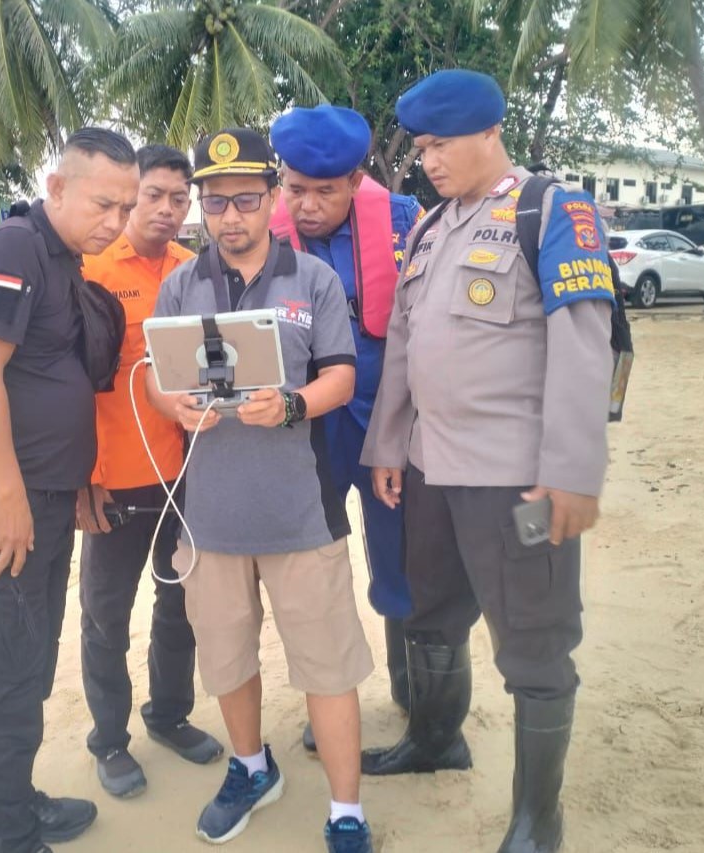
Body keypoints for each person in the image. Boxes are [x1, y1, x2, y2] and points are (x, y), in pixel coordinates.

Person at [359, 70, 616, 853]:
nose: (428, 161)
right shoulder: (433, 227)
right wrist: (388, 445)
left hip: (515, 477)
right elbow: (406, 343)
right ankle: (438, 738)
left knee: (536, 638)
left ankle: (540, 818)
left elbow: (583, 341)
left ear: (488, 133)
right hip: (433, 469)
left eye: (442, 145)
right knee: (431, 612)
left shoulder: (551, 208)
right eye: (422, 148)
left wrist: (573, 473)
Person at [147, 128, 376, 853]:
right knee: (227, 656)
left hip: (300, 515)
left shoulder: (312, 281)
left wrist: (293, 404)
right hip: (211, 517)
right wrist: (169, 403)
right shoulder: (183, 282)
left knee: (328, 666)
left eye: (246, 199)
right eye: (215, 204)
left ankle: (347, 811)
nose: (231, 217)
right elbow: (156, 375)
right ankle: (251, 767)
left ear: (271, 197)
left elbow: (343, 375)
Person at [0, 127, 140, 853]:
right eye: (102, 203)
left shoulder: (63, 262)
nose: (114, 222)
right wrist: (12, 495)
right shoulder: (15, 248)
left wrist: (76, 484)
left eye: (126, 207)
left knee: (29, 662)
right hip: (2, 502)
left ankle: (14, 801)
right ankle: (2, 831)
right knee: (4, 671)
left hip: (51, 498)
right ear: (57, 187)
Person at [269, 104, 424, 752]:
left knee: (402, 560)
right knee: (318, 566)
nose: (305, 204)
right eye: (294, 187)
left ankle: (418, 696)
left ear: (357, 180)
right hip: (309, 430)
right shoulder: (265, 235)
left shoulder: (405, 220)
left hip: (388, 417)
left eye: (323, 191)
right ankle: (332, 701)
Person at [75, 144, 223, 798]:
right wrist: (84, 477)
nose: (166, 209)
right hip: (112, 479)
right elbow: (68, 385)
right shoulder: (90, 271)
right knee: (105, 615)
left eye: (178, 198)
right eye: (154, 195)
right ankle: (109, 740)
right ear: (131, 194)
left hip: (185, 476)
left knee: (180, 605)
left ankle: (169, 715)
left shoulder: (196, 272)